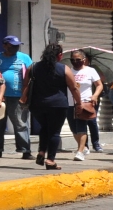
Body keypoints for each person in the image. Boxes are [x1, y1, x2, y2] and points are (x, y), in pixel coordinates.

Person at [20, 43, 79, 171]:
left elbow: (25, 85)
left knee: (44, 128)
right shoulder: (64, 69)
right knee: (54, 132)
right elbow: (73, 87)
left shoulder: (33, 67)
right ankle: (50, 160)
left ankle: (41, 152)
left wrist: (23, 98)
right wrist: (79, 103)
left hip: (37, 105)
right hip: (58, 105)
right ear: (59, 55)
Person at [0, 36, 33, 160]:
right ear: (5, 45)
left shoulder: (25, 58)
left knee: (21, 124)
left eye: (17, 45)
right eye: (12, 45)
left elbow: (31, 76)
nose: (15, 47)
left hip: (18, 96)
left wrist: (25, 95)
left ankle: (25, 150)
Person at [68, 50, 102, 162]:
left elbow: (99, 85)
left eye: (78, 60)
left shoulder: (90, 71)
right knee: (74, 129)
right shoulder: (68, 71)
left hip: (84, 102)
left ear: (84, 60)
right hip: (69, 103)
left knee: (81, 127)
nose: (75, 62)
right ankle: (84, 147)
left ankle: (80, 151)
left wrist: (95, 95)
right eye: (72, 60)